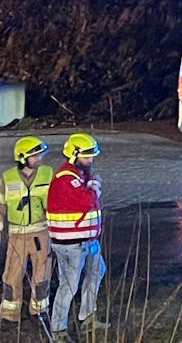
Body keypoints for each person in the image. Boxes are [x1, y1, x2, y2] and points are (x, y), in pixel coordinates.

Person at [48, 132, 107, 343]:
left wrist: (91, 182)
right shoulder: (65, 178)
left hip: (87, 241)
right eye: (86, 156)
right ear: (73, 155)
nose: (90, 160)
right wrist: (95, 185)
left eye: (92, 156)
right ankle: (58, 331)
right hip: (70, 244)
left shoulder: (79, 175)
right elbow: (87, 201)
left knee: (97, 270)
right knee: (69, 286)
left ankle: (87, 316)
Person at [0, 136, 53, 323]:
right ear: (22, 157)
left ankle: (39, 310)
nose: (39, 158)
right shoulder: (7, 177)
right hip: (17, 235)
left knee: (42, 274)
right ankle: (10, 314)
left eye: (40, 154)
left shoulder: (47, 174)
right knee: (12, 274)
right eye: (35, 156)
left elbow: (54, 202)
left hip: (41, 234)